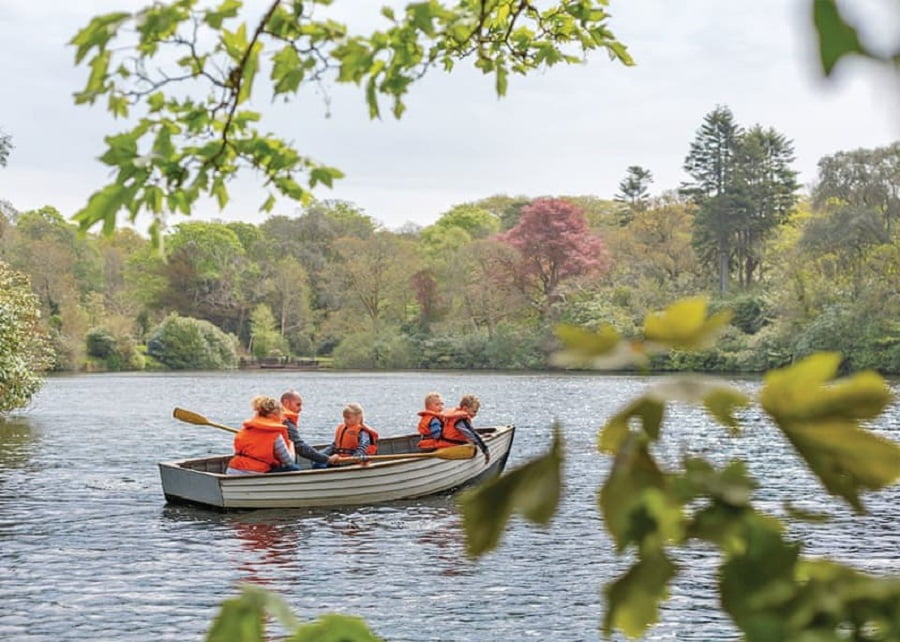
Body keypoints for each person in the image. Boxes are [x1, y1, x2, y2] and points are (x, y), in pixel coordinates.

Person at [226, 395, 301, 475]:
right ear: (277, 413)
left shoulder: (246, 429)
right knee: (294, 468)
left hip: (232, 470)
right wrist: (291, 445)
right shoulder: (275, 434)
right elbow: (289, 461)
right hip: (255, 472)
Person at [280, 390, 339, 467]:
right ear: (286, 403)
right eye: (298, 405)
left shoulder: (276, 417)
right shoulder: (286, 422)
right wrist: (327, 459)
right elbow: (300, 447)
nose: (300, 409)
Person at [317, 402, 379, 467]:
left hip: (354, 463)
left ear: (358, 417)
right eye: (344, 418)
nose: (345, 420)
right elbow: (334, 446)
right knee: (317, 464)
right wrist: (321, 454)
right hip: (340, 461)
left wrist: (351, 459)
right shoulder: (342, 428)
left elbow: (362, 449)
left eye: (348, 418)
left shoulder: (362, 432)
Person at [437, 394, 490, 464]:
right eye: (474, 411)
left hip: (445, 443)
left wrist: (481, 436)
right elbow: (472, 434)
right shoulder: (461, 420)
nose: (475, 414)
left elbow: (468, 433)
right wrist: (485, 450)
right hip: (453, 445)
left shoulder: (454, 416)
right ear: (465, 409)